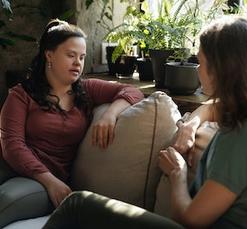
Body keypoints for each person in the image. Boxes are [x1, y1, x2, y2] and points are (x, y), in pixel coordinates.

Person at [42, 16, 247, 228]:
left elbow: (192, 218)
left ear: (221, 69)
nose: (198, 70)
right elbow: (216, 107)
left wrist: (177, 172)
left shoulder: (240, 139)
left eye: (201, 62)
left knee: (77, 203)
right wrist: (191, 125)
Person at [0, 18, 144, 210]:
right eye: (71, 55)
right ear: (49, 55)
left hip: (46, 183)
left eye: (82, 57)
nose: (78, 63)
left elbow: (133, 91)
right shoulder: (21, 95)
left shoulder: (85, 89)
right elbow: (12, 146)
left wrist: (110, 114)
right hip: (14, 171)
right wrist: (50, 181)